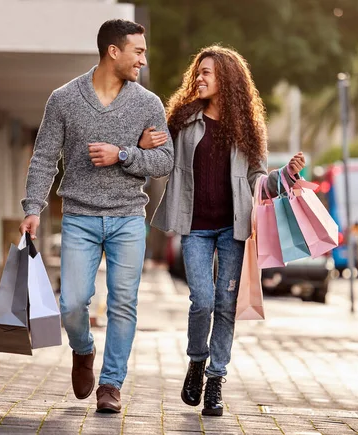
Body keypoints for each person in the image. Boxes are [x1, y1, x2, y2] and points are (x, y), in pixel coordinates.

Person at [19, 19, 173, 413]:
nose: (143, 58)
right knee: (72, 303)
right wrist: (33, 207)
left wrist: (123, 154)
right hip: (80, 217)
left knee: (123, 302)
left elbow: (164, 160)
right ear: (113, 51)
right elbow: (43, 158)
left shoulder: (147, 103)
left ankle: (111, 384)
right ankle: (83, 350)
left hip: (126, 218)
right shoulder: (64, 99)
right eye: (137, 51)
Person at [146, 45, 305, 416]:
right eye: (197, 72)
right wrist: (140, 146)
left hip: (233, 230)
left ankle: (216, 379)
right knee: (201, 300)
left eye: (207, 73)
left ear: (227, 81)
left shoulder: (248, 127)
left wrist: (286, 177)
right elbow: (160, 162)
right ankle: (197, 361)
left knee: (225, 305)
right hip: (195, 226)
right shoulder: (184, 120)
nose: (199, 78)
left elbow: (258, 180)